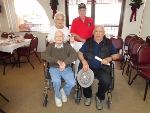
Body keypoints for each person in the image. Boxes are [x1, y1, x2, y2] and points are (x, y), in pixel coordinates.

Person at [78, 25, 119, 110]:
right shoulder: (88, 42)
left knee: (106, 80)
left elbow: (117, 55)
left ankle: (99, 97)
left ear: (104, 33)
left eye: (100, 31)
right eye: (96, 31)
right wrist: (83, 61)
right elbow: (79, 53)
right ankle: (88, 96)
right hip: (89, 67)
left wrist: (109, 58)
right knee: (84, 77)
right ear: (93, 32)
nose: (98, 33)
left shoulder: (108, 43)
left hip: (103, 68)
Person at [42, 30, 77, 107]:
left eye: (60, 36)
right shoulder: (51, 46)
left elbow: (74, 55)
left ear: (63, 38)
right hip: (54, 67)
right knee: (56, 81)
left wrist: (64, 63)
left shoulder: (67, 46)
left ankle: (63, 91)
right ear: (54, 38)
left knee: (72, 82)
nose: (59, 38)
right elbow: (44, 55)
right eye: (57, 36)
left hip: (66, 67)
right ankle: (57, 96)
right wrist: (57, 61)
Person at [70, 3, 95, 77]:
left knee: (88, 59)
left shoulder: (90, 20)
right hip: (78, 44)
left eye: (84, 10)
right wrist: (82, 39)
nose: (82, 12)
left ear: (86, 11)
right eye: (80, 10)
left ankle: (87, 76)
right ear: (78, 11)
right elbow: (72, 33)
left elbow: (93, 31)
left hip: (89, 44)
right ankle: (77, 77)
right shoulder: (75, 20)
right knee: (78, 61)